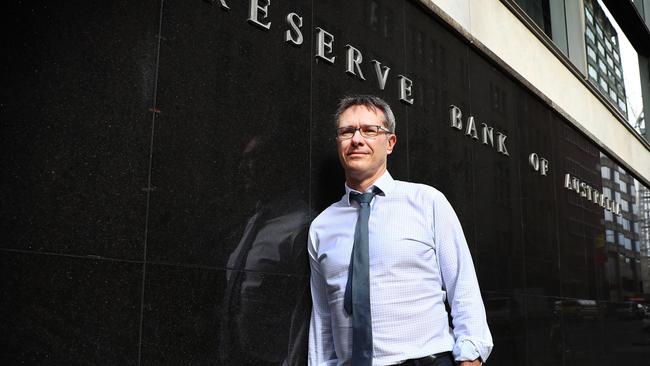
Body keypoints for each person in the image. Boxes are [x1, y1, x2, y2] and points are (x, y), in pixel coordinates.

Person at [308, 95, 493, 365]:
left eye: (370, 130)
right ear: (339, 142)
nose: (357, 139)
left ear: (390, 143)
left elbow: (462, 285)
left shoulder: (427, 202)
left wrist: (471, 356)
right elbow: (323, 316)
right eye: (347, 131)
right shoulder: (321, 227)